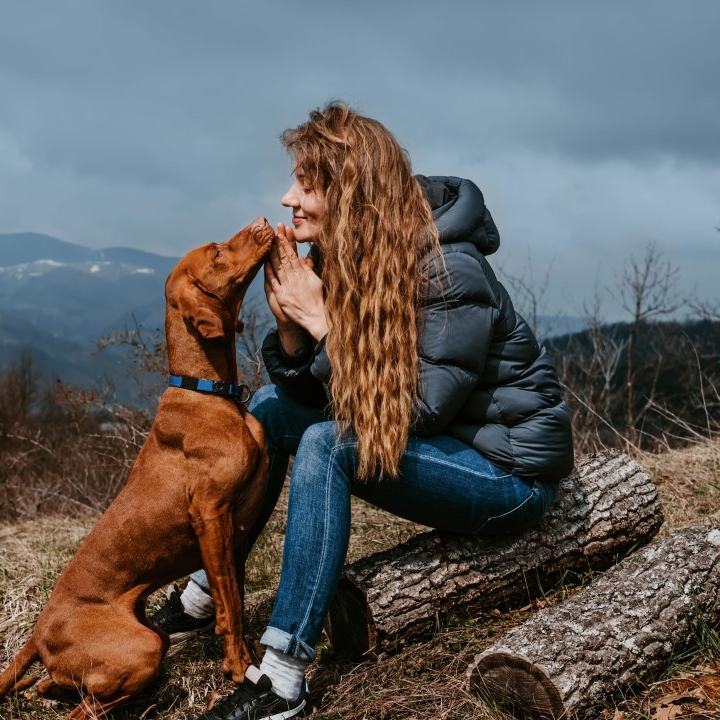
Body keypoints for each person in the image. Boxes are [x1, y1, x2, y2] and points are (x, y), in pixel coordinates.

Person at [153, 102, 575, 720]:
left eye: (307, 184)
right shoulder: (354, 253)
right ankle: (202, 595)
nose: (288, 197)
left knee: (327, 443)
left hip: (507, 475)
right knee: (270, 407)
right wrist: (294, 335)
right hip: (441, 449)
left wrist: (325, 324)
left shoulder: (449, 266)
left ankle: (282, 677)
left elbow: (420, 408)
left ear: (351, 191)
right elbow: (330, 389)